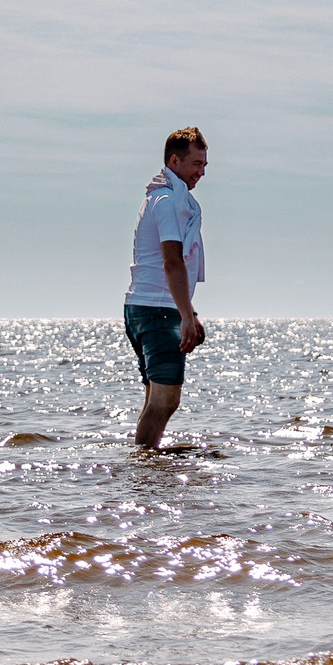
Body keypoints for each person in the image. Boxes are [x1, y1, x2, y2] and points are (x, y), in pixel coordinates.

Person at [122, 127, 208, 449]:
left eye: (204, 165)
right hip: (156, 311)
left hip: (147, 307)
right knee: (166, 400)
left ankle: (147, 467)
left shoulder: (163, 197)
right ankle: (143, 465)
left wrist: (189, 312)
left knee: (154, 399)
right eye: (196, 164)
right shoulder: (166, 201)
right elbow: (172, 261)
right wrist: (186, 316)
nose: (201, 172)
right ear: (174, 160)